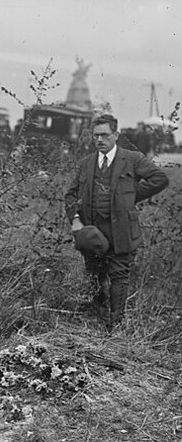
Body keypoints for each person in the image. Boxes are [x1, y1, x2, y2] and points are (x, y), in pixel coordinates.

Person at [65, 113, 169, 330]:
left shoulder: (132, 159)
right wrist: (75, 220)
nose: (99, 140)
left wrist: (130, 196)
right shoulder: (86, 164)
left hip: (121, 229)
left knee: (119, 274)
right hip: (93, 231)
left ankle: (116, 323)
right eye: (96, 136)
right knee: (94, 272)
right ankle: (100, 318)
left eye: (104, 135)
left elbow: (160, 179)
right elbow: (70, 195)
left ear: (116, 135)